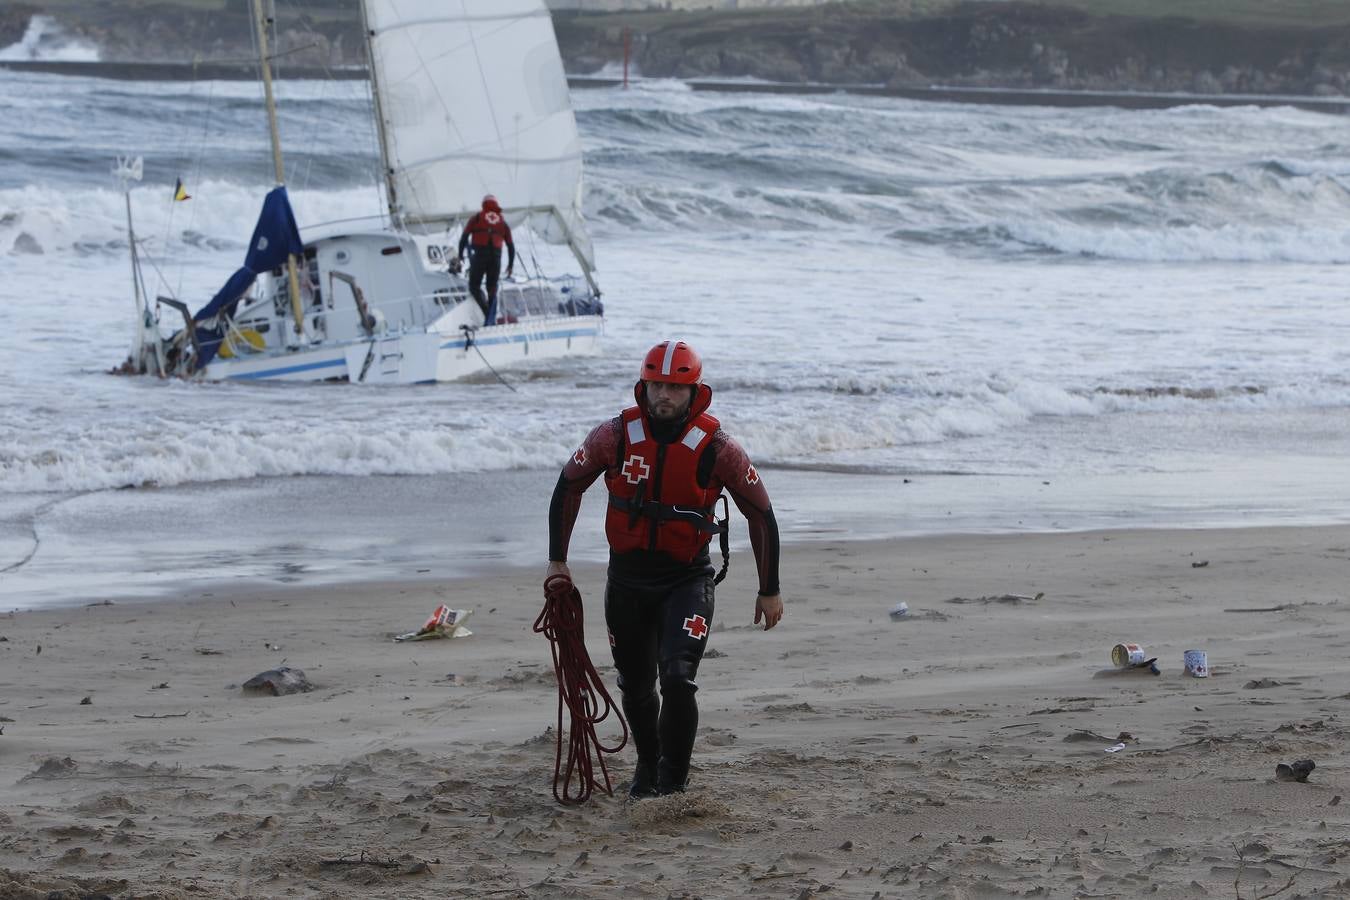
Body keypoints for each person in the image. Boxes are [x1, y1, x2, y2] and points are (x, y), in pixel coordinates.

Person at [547, 340, 783, 799]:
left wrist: (768, 588)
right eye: (657, 385)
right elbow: (567, 488)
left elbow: (761, 515)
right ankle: (647, 766)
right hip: (627, 582)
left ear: (696, 392)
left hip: (686, 580)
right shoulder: (613, 436)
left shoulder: (719, 448)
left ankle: (673, 779)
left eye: (676, 387)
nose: (665, 396)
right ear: (643, 386)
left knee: (677, 677)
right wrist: (558, 560)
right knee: (635, 686)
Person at [457, 194, 516, 326]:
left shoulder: (476, 218)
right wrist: (510, 265)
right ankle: (491, 318)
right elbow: (511, 247)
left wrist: (461, 255)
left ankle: (484, 310)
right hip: (496, 258)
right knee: (492, 289)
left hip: (480, 256)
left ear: (483, 204)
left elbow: (464, 238)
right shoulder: (503, 223)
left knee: (474, 286)